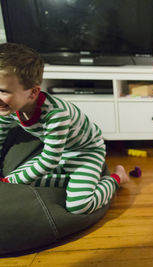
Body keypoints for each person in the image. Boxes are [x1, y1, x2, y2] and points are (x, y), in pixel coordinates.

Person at [0, 42, 129, 214]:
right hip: (58, 154)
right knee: (22, 180)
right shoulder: (10, 109)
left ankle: (116, 178)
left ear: (32, 93)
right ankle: (71, 181)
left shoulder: (56, 114)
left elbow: (50, 160)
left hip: (85, 152)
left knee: (78, 206)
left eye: (3, 91)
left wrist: (9, 181)